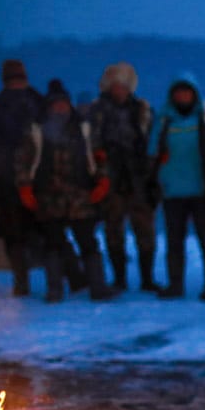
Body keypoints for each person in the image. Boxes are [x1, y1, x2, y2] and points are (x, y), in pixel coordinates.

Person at [14, 79, 114, 302]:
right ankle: (55, 289)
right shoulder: (36, 131)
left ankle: (98, 287)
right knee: (53, 245)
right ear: (49, 107)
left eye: (64, 104)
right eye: (56, 104)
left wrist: (102, 181)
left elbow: (100, 157)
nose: (61, 108)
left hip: (80, 196)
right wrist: (25, 188)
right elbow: (22, 161)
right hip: (48, 198)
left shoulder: (84, 130)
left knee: (88, 243)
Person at [147, 73, 205, 301]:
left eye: (187, 92)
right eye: (178, 92)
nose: (182, 96)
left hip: (202, 189)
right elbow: (152, 153)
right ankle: (175, 285)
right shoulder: (164, 120)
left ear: (195, 94)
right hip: (172, 190)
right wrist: (152, 183)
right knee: (174, 242)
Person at [89, 62, 159, 292]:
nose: (119, 90)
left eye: (123, 86)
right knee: (113, 230)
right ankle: (119, 278)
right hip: (110, 178)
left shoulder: (143, 110)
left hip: (138, 178)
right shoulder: (97, 111)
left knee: (145, 231)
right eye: (115, 86)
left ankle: (147, 278)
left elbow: (154, 139)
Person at [0, 59, 45, 297]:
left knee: (16, 234)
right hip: (35, 181)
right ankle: (54, 281)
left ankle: (23, 281)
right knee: (42, 230)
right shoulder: (38, 102)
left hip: (11, 182)